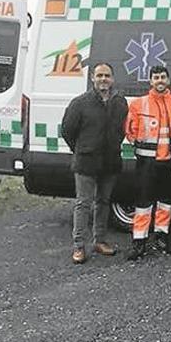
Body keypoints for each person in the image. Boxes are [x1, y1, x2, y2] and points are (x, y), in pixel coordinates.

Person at [61, 63, 128, 264]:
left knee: (104, 202)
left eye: (107, 75)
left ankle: (100, 240)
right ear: (92, 78)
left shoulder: (120, 102)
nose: (103, 79)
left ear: (113, 79)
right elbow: (67, 131)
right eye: (99, 75)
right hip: (86, 161)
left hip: (110, 161)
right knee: (83, 203)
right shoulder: (80, 103)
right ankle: (79, 246)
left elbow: (122, 129)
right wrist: (81, 149)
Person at [125, 65, 171, 260]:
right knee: (143, 203)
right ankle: (139, 241)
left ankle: (162, 237)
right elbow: (129, 131)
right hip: (147, 162)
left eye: (163, 77)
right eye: (156, 78)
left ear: (168, 81)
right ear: (150, 81)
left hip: (170, 162)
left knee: (166, 202)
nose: (160, 81)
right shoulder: (138, 104)